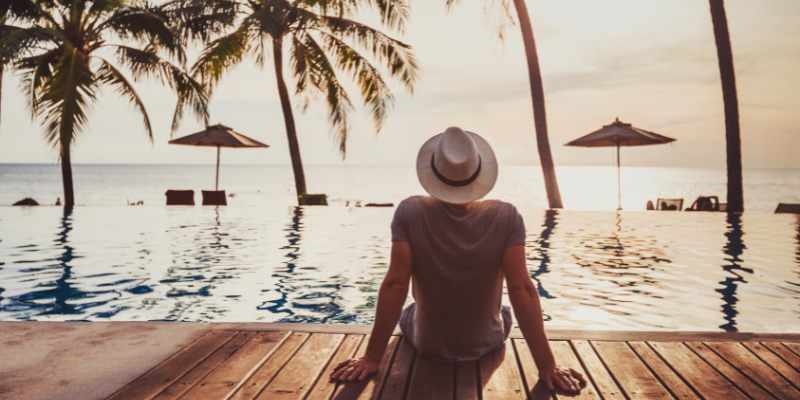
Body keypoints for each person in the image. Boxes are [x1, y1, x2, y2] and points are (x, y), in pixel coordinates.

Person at [331, 127, 585, 392]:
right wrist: (547, 365)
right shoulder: (507, 216)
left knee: (410, 311)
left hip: (427, 342)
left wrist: (372, 357)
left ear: (433, 171)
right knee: (505, 312)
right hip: (486, 342)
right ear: (479, 173)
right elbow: (521, 289)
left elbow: (396, 285)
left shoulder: (410, 211)